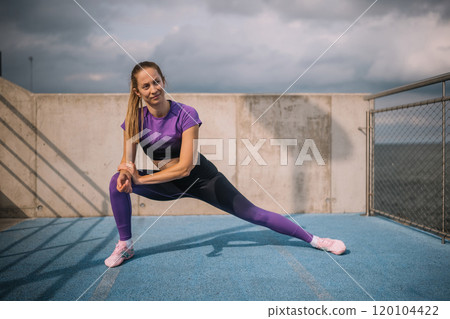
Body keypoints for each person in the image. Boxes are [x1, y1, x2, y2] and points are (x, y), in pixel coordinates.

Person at [105, 61, 346, 268]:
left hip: (203, 179)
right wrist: (126, 173)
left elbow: (185, 167)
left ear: (163, 81)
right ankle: (125, 245)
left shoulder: (185, 113)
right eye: (146, 86)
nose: (153, 89)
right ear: (137, 92)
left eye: (156, 82)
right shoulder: (134, 119)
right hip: (168, 184)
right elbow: (127, 161)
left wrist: (140, 179)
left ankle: (315, 240)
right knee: (117, 182)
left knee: (254, 213)